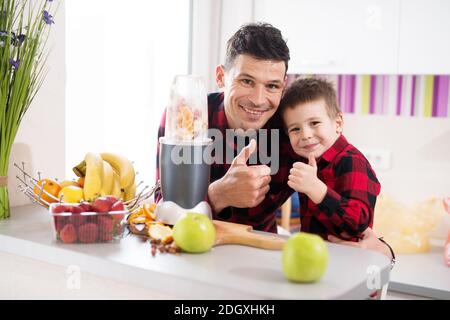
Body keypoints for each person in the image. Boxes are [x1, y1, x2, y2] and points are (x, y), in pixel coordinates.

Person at [155, 22, 395, 263]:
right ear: (221, 77)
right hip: (188, 257)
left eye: (271, 86)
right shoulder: (187, 118)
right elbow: (163, 210)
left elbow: (346, 192)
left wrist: (383, 250)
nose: (259, 100)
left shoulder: (293, 129)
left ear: (282, 88)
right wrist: (219, 195)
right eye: (247, 81)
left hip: (261, 261)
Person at [279, 77, 381, 241]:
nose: (305, 135)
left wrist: (316, 189)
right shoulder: (307, 160)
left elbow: (359, 222)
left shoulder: (352, 161)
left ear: (338, 123)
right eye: (295, 129)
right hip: (315, 255)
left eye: (314, 123)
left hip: (348, 259)